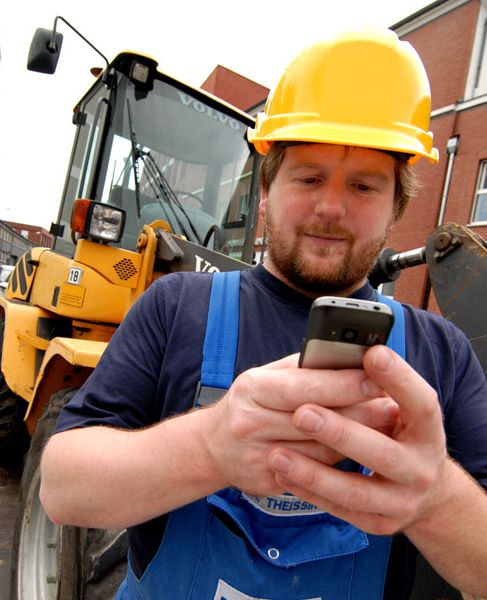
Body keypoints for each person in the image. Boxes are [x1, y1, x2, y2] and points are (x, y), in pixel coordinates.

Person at [40, 28, 487, 599]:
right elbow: (61, 489)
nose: (331, 205)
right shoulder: (177, 308)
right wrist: (209, 447)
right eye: (308, 176)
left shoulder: (442, 354)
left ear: (395, 206)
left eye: (363, 184)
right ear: (268, 188)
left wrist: (434, 499)